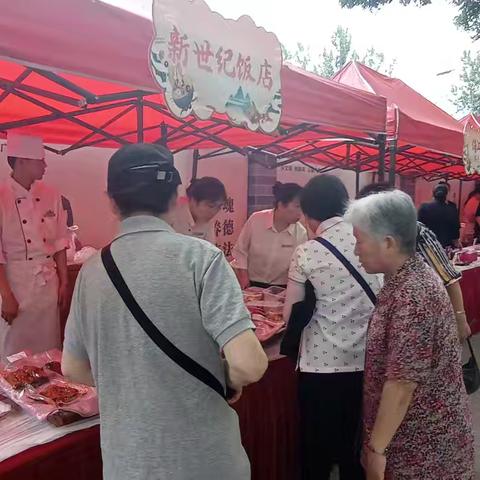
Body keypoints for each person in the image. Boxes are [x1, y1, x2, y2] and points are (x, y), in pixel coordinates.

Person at [62, 143, 267, 480]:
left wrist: (135, 382)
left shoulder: (92, 271)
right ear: (175, 196)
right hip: (205, 459)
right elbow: (249, 364)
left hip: (128, 462)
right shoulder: (202, 258)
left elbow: (73, 368)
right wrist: (224, 377)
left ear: (111, 201)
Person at [345, 190, 474, 480]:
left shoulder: (413, 295)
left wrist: (376, 450)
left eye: (359, 241)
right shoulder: (403, 279)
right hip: (416, 438)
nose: (356, 250)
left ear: (388, 243)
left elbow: (401, 384)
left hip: (424, 449)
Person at [283, 175, 382, 480]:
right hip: (366, 362)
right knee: (355, 447)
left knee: (317, 451)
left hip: (320, 368)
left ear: (309, 213)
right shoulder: (372, 242)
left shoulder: (307, 252)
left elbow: (291, 314)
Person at [358, 183, 471, 343]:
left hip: (418, 325)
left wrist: (460, 320)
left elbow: (449, 278)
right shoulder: (369, 236)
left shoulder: (416, 232)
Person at [0, 133, 69, 360]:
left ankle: (50, 391)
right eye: (40, 160)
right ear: (21, 161)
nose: (45, 165)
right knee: (13, 348)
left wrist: (64, 281)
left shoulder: (51, 194)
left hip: (47, 282)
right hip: (14, 282)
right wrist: (7, 296)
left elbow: (60, 240)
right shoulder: (1, 197)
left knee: (48, 348)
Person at [232, 182, 307, 289]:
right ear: (281, 205)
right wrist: (244, 278)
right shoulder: (256, 219)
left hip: (281, 288)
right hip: (250, 283)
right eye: (297, 206)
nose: (300, 213)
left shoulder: (300, 232)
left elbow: (299, 266)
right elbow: (240, 251)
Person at [172, 176, 227, 243]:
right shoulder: (173, 216)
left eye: (219, 207)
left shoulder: (208, 220)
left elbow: (210, 249)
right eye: (211, 206)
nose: (214, 212)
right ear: (193, 201)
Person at [418, 183, 460, 248]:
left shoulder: (424, 207)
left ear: (433, 194)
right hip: (446, 246)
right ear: (446, 195)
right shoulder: (452, 209)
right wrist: (457, 243)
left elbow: (419, 226)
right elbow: (455, 231)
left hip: (429, 245)